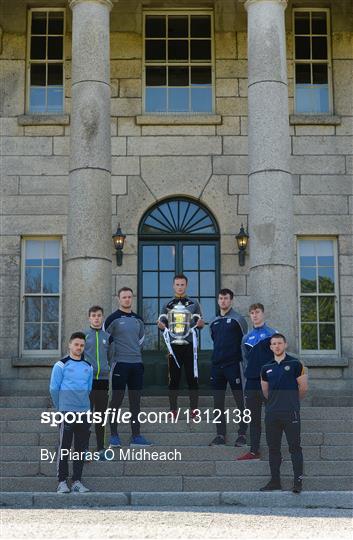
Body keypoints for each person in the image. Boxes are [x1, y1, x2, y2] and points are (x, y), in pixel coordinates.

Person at [260, 333, 308, 493]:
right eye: (274, 344)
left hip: (291, 413)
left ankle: (298, 482)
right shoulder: (266, 368)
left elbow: (303, 388)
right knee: (273, 448)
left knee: (295, 447)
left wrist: (292, 402)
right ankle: (275, 482)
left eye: (279, 343)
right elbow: (265, 392)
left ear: (285, 344)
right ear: (270, 347)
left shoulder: (296, 364)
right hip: (272, 414)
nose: (277, 346)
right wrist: (275, 403)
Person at [105, 287, 151, 447]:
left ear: (132, 298)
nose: (127, 299)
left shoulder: (138, 319)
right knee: (116, 400)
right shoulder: (112, 319)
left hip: (136, 365)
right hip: (119, 365)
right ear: (119, 299)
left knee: (135, 401)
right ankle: (114, 435)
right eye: (124, 297)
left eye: (129, 297)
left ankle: (136, 435)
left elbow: (140, 341)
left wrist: (133, 353)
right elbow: (105, 341)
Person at [49, 332, 93, 494]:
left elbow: (88, 389)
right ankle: (62, 482)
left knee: (80, 449)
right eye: (76, 344)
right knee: (65, 448)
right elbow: (54, 388)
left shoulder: (88, 366)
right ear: (69, 345)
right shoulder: (61, 365)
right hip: (66, 411)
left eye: (82, 345)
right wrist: (61, 408)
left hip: (84, 412)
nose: (79, 348)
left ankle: (76, 481)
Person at [157, 274, 204, 417]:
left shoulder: (194, 303)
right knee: (174, 378)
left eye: (182, 284)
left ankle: (194, 409)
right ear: (173, 286)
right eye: (177, 284)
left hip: (189, 344)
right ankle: (173, 410)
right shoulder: (167, 304)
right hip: (173, 345)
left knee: (192, 377)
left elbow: (200, 321)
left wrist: (201, 324)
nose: (180, 287)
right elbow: (162, 321)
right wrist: (161, 326)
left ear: (186, 285)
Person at [237, 303, 278, 461]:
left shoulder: (273, 334)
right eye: (252, 312)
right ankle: (254, 451)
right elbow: (245, 362)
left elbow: (278, 359)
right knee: (254, 419)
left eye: (258, 312)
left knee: (272, 418)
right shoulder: (246, 338)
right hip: (252, 384)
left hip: (269, 383)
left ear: (263, 313)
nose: (255, 315)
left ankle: (274, 450)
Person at [208, 289, 248, 447]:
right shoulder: (213, 322)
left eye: (226, 298)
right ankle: (220, 435)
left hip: (234, 365)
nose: (223, 301)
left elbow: (245, 343)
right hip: (217, 367)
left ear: (231, 300)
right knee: (218, 402)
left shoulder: (239, 320)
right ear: (218, 301)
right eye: (220, 298)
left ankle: (243, 433)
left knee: (240, 401)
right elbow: (214, 340)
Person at [84, 305, 113, 460]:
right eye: (93, 315)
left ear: (102, 318)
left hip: (103, 380)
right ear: (89, 318)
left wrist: (108, 370)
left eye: (99, 315)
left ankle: (101, 448)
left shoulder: (107, 337)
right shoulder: (83, 336)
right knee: (87, 417)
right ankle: (85, 449)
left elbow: (111, 356)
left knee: (101, 417)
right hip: (88, 382)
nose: (96, 318)